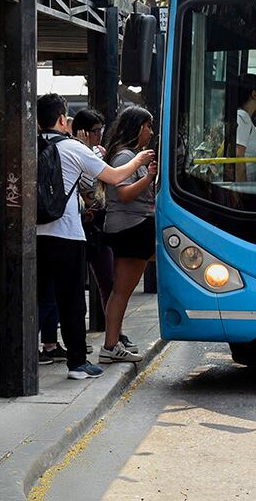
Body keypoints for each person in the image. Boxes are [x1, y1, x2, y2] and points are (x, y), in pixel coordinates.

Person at [36, 93, 155, 379]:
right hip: (66, 233)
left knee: (37, 299)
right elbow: (114, 178)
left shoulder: (29, 146)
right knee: (72, 300)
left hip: (34, 235)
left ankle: (31, 355)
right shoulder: (73, 148)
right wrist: (139, 161)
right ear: (63, 119)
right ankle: (77, 363)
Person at [100, 107, 158, 363]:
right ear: (137, 127)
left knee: (120, 290)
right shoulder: (125, 157)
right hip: (132, 227)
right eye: (148, 126)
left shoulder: (129, 156)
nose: (151, 132)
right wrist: (150, 177)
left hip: (133, 226)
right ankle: (111, 344)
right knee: (122, 291)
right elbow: (123, 193)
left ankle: (113, 341)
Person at [72, 109, 114, 314]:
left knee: (108, 281)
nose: (100, 135)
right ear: (83, 132)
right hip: (77, 223)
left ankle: (115, 330)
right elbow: (85, 183)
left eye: (101, 130)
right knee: (75, 285)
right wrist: (84, 150)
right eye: (96, 131)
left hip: (98, 222)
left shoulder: (101, 152)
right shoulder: (72, 151)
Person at [235, 74, 256, 182]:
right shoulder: (242, 118)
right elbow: (238, 156)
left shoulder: (247, 119)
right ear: (254, 94)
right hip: (246, 187)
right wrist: (241, 190)